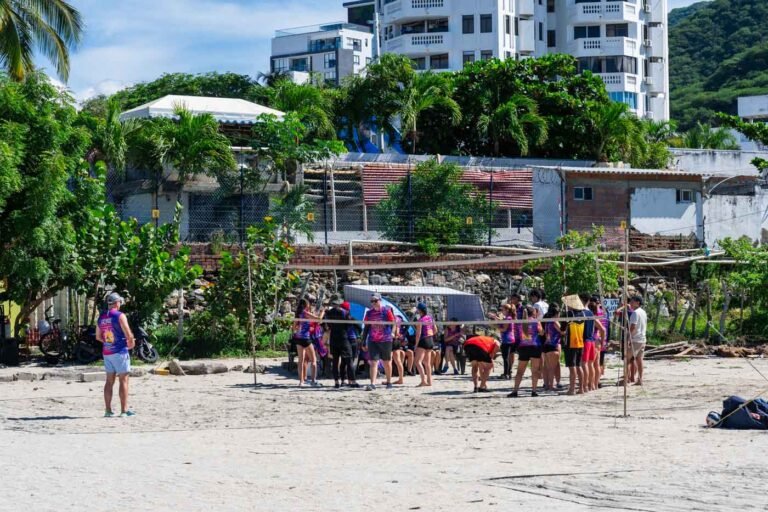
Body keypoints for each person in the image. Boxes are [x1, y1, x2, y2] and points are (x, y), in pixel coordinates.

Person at [96, 293, 136, 417]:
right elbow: (127, 333)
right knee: (123, 380)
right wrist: (131, 342)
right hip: (120, 351)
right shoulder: (120, 316)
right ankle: (124, 410)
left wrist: (108, 343)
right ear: (116, 303)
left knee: (109, 381)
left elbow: (98, 336)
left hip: (107, 352)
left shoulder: (101, 317)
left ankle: (108, 410)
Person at [361, 294, 396, 391]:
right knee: (373, 362)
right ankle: (372, 384)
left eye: (375, 301)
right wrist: (363, 341)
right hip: (373, 340)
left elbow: (394, 324)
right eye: (372, 301)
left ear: (380, 300)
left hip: (385, 340)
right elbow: (366, 327)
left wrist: (392, 333)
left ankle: (389, 382)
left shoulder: (386, 311)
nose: (373, 303)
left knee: (387, 362)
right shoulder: (369, 313)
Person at [509, 306, 543, 398]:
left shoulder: (520, 322)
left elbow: (516, 334)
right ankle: (534, 391)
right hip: (535, 346)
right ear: (533, 313)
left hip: (524, 347)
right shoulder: (536, 321)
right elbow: (541, 332)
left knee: (520, 371)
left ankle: (515, 391)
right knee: (534, 371)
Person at [323, 296, 354, 389]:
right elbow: (349, 324)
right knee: (348, 360)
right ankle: (350, 381)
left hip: (333, 338)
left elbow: (327, 326)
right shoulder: (344, 312)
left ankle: (336, 381)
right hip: (343, 337)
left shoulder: (328, 313)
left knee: (335, 361)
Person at [293, 298, 322, 387]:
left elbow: (294, 328)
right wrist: (322, 312)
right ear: (306, 305)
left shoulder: (297, 314)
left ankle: (301, 382)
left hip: (298, 338)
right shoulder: (305, 313)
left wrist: (300, 328)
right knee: (313, 360)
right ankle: (313, 381)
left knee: (300, 360)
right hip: (305, 338)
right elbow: (319, 319)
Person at [580, 293, 606, 393]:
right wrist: (602, 342)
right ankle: (593, 385)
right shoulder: (594, 313)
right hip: (596, 340)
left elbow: (602, 329)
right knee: (594, 365)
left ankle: (588, 385)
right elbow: (603, 329)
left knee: (588, 364)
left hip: (591, 340)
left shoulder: (585, 313)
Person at [563, 295, 587, 395]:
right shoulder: (583, 314)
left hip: (571, 343)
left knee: (572, 367)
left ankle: (572, 389)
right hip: (580, 343)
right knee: (578, 366)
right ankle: (581, 388)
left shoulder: (569, 314)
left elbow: (562, 329)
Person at [413, 302, 437, 387]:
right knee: (427, 363)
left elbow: (418, 334)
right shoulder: (430, 318)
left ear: (419, 310)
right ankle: (429, 381)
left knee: (417, 361)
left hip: (423, 340)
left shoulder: (420, 320)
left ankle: (423, 380)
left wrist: (416, 345)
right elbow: (435, 330)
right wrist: (429, 336)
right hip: (430, 340)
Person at [542, 304, 564, 392]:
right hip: (553, 345)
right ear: (557, 313)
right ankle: (552, 385)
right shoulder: (555, 322)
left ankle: (547, 384)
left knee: (547, 367)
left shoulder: (548, 321)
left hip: (546, 345)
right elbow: (562, 332)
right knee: (552, 368)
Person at [491, 304, 516, 380]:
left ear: (507, 310)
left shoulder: (508, 318)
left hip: (507, 340)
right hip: (510, 339)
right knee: (507, 357)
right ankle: (508, 372)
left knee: (506, 358)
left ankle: (506, 374)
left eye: (503, 310)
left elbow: (504, 329)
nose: (502, 311)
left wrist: (494, 327)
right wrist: (495, 317)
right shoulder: (507, 318)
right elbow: (501, 321)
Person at [340, 301, 361, 388]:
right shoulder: (352, 318)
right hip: (352, 340)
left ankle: (344, 380)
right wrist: (358, 335)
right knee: (350, 362)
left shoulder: (340, 319)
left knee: (344, 361)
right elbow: (360, 328)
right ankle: (351, 381)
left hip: (345, 340)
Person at [628, 295, 648, 386]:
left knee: (627, 359)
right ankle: (640, 379)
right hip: (642, 339)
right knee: (639, 360)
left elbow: (633, 326)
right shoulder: (643, 312)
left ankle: (626, 379)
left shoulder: (635, 313)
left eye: (632, 302)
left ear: (637, 303)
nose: (630, 304)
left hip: (636, 339)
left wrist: (628, 337)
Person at [392, 315, 407, 385]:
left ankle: (388, 379)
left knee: (388, 360)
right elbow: (398, 332)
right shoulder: (398, 319)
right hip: (397, 340)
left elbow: (394, 330)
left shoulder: (391, 318)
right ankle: (401, 379)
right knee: (398, 361)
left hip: (391, 340)